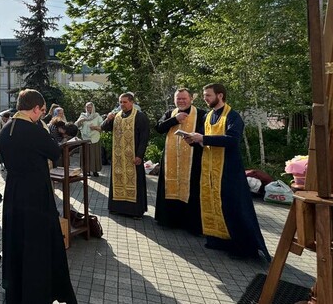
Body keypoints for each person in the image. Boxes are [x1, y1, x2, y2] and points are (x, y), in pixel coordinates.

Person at [0, 89, 77, 304]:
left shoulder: (5, 129)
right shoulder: (35, 130)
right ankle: (38, 291)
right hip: (35, 194)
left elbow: (3, 159)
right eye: (42, 110)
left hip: (14, 192)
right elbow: (54, 153)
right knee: (38, 243)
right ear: (35, 109)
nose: (43, 114)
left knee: (17, 242)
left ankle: (17, 292)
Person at [185, 84, 270, 260]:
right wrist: (193, 140)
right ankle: (218, 240)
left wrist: (203, 138)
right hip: (210, 170)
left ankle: (243, 248)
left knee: (233, 207)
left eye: (208, 95)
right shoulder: (208, 116)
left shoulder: (233, 116)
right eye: (204, 95)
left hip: (228, 170)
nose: (205, 98)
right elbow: (203, 137)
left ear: (220, 95)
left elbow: (232, 140)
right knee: (212, 204)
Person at [154, 88, 204, 235]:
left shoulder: (200, 114)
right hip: (171, 159)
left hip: (192, 159)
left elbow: (205, 133)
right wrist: (175, 120)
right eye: (178, 99)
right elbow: (159, 128)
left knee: (191, 190)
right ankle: (168, 220)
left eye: (184, 98)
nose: (181, 101)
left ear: (191, 99)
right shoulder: (171, 113)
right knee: (170, 187)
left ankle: (191, 224)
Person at [101, 92, 150, 218]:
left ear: (132, 102)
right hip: (118, 157)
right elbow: (103, 128)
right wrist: (108, 119)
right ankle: (117, 208)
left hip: (133, 157)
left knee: (135, 183)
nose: (122, 104)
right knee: (118, 181)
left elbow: (144, 137)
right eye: (120, 102)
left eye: (125, 102)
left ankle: (135, 211)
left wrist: (140, 155)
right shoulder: (116, 116)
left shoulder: (139, 116)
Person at [75, 102, 103, 177]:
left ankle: (95, 171)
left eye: (90, 107)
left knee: (94, 155)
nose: (88, 109)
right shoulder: (82, 115)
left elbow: (102, 127)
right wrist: (80, 121)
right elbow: (76, 125)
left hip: (95, 138)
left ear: (93, 108)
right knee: (85, 154)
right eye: (87, 107)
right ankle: (86, 171)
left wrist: (95, 127)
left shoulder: (97, 116)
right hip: (85, 138)